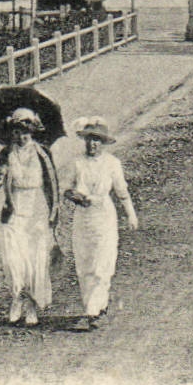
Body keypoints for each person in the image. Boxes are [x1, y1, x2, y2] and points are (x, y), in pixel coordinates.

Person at [63, 116, 139, 332]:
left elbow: (122, 192)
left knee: (101, 263)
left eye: (97, 140)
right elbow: (67, 189)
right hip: (83, 218)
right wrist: (75, 196)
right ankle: (97, 306)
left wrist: (131, 215)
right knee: (85, 263)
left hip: (104, 215)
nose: (92, 144)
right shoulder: (77, 164)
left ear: (104, 142)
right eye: (89, 139)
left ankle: (91, 312)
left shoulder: (112, 164)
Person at [0, 108, 60, 326]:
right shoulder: (6, 153)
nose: (21, 136)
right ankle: (17, 297)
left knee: (34, 257)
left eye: (25, 131)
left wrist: (54, 212)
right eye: (17, 132)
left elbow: (52, 184)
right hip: (15, 206)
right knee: (13, 257)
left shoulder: (42, 153)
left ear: (33, 131)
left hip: (37, 206)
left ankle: (31, 305)